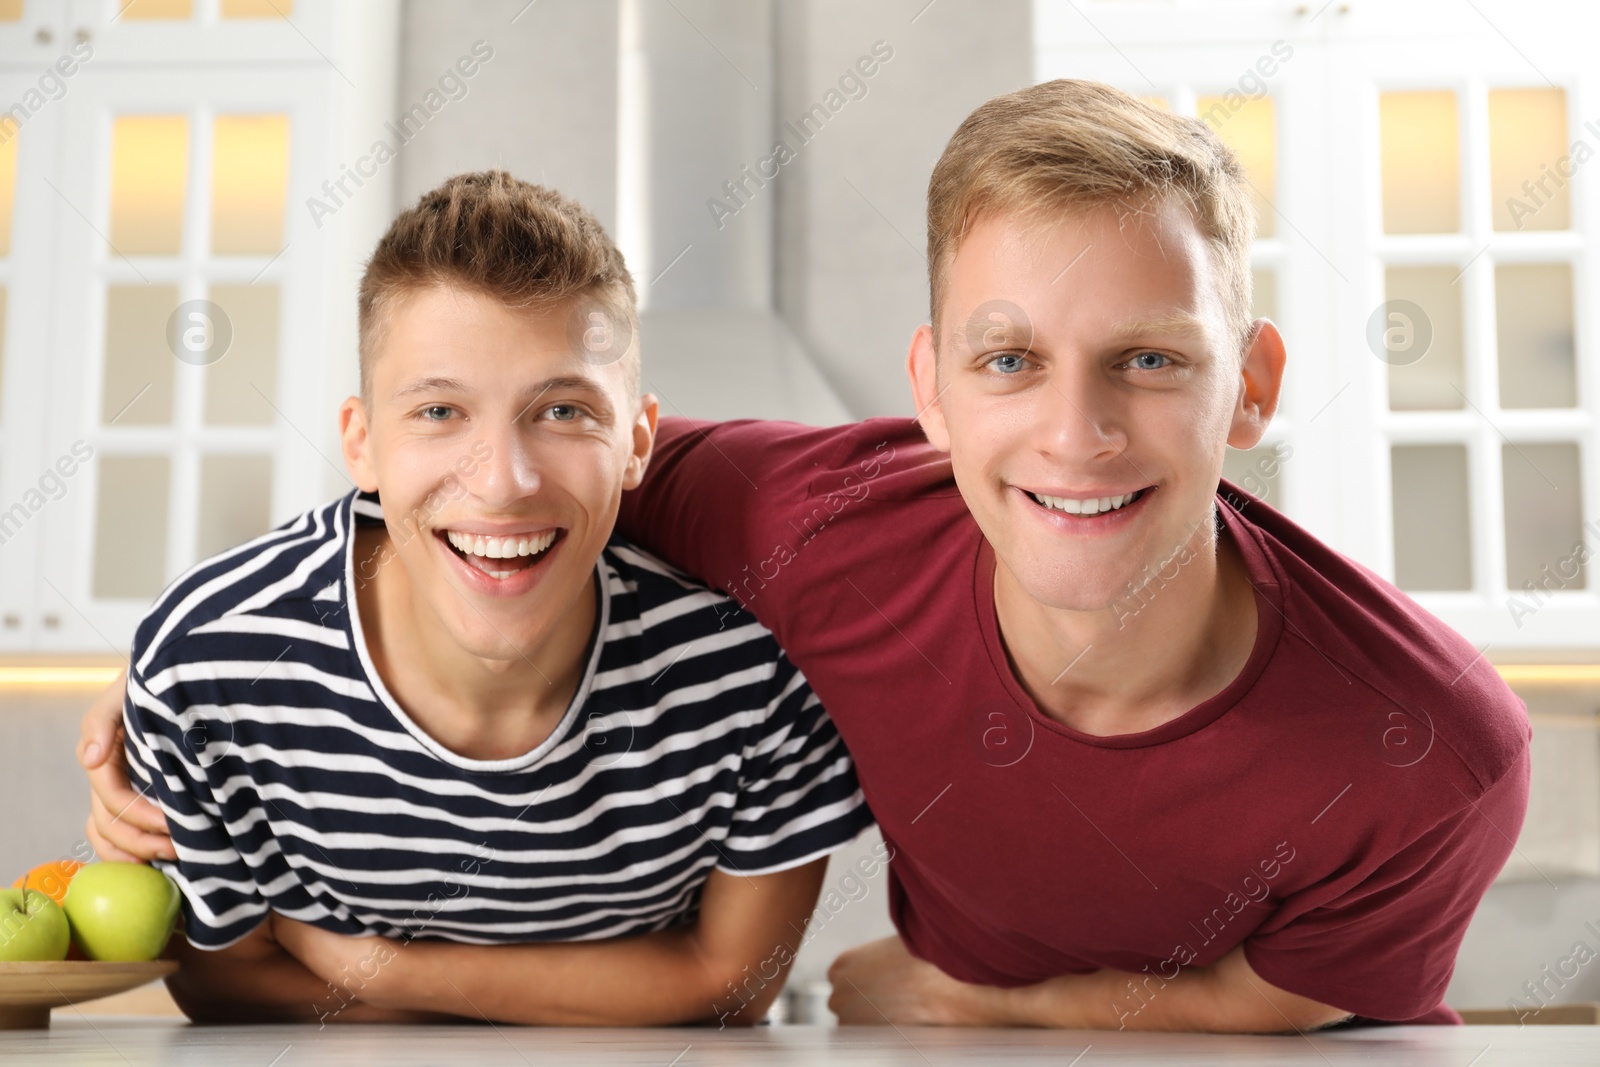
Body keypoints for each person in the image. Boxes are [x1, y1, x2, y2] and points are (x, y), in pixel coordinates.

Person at [82, 80, 1530, 1032]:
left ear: (1255, 384)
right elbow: (514, 489)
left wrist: (980, 1002)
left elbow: (1282, 1007)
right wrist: (169, 683)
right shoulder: (804, 526)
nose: (1077, 433)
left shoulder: (1434, 749)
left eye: (1151, 358)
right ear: (933, 385)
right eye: (1010, 356)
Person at [90, 171, 872, 1026]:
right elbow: (222, 983)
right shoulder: (210, 668)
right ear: (362, 441)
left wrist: (385, 973)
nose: (503, 482)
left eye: (564, 410)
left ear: (639, 441)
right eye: (438, 411)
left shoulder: (753, 673)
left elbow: (735, 985)